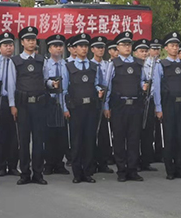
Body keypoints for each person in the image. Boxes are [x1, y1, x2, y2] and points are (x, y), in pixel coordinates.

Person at [7, 26, 56, 185]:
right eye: (28, 40)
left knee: (38, 140)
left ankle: (38, 173)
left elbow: (46, 79)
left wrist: (52, 84)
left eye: (33, 40)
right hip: (22, 106)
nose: (31, 42)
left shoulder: (42, 60)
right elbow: (11, 84)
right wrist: (12, 105)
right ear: (22, 42)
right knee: (24, 140)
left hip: (39, 104)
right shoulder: (15, 61)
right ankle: (25, 173)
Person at [104, 31, 150, 182]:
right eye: (124, 45)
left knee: (133, 139)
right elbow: (107, 86)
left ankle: (132, 169)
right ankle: (121, 170)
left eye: (129, 44)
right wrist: (106, 106)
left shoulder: (138, 64)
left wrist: (145, 86)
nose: (127, 47)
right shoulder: (114, 64)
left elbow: (143, 81)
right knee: (119, 139)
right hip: (119, 106)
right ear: (117, 47)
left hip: (135, 105)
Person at [153, 32, 181, 180]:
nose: (175, 48)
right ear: (166, 48)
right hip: (168, 104)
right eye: (172, 45)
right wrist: (158, 107)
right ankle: (170, 170)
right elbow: (156, 87)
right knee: (169, 138)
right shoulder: (161, 65)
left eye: (177, 45)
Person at [63, 33, 103, 183]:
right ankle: (77, 173)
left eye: (86, 46)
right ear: (75, 48)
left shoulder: (94, 66)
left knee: (89, 140)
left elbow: (97, 83)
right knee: (77, 140)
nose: (84, 49)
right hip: (76, 108)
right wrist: (65, 109)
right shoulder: (68, 66)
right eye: (81, 46)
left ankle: (88, 172)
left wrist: (99, 90)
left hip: (91, 107)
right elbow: (64, 89)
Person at [43, 34, 70, 176]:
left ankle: (60, 164)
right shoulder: (45, 64)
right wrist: (50, 84)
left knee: (62, 136)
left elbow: (69, 85)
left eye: (60, 46)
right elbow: (43, 81)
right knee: (49, 135)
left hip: (64, 102)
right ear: (49, 48)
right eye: (55, 46)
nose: (58, 48)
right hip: (50, 102)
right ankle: (49, 164)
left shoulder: (66, 64)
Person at [0, 32, 20, 177]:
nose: (9, 48)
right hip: (0, 100)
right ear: (0, 48)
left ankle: (13, 165)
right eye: (6, 45)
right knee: (0, 134)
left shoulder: (17, 62)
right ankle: (1, 165)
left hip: (14, 100)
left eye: (11, 45)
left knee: (13, 134)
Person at [90, 35, 113, 174]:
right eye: (98, 48)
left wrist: (107, 106)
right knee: (92, 134)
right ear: (92, 49)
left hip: (106, 102)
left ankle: (103, 163)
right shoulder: (89, 65)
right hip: (93, 102)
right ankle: (92, 162)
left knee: (104, 135)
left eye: (102, 47)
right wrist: (98, 90)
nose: (101, 50)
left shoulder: (108, 65)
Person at [140, 38, 161, 171]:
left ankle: (146, 160)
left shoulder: (157, 65)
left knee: (148, 131)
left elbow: (158, 85)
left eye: (157, 49)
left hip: (152, 100)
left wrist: (158, 105)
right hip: (140, 100)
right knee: (137, 131)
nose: (155, 52)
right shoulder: (141, 64)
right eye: (152, 49)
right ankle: (136, 159)